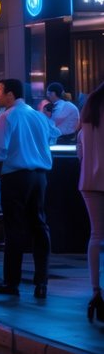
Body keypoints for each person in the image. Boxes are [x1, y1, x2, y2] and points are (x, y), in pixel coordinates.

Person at [0, 78, 56, 298]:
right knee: (39, 226)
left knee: (14, 228)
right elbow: (51, 138)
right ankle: (42, 282)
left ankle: (12, 282)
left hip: (16, 177)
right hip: (40, 177)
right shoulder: (38, 116)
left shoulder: (6, 117)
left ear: (10, 94)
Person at [78, 81, 104, 321]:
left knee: (97, 236)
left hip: (89, 180)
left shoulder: (90, 106)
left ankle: (96, 291)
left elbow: (80, 148)